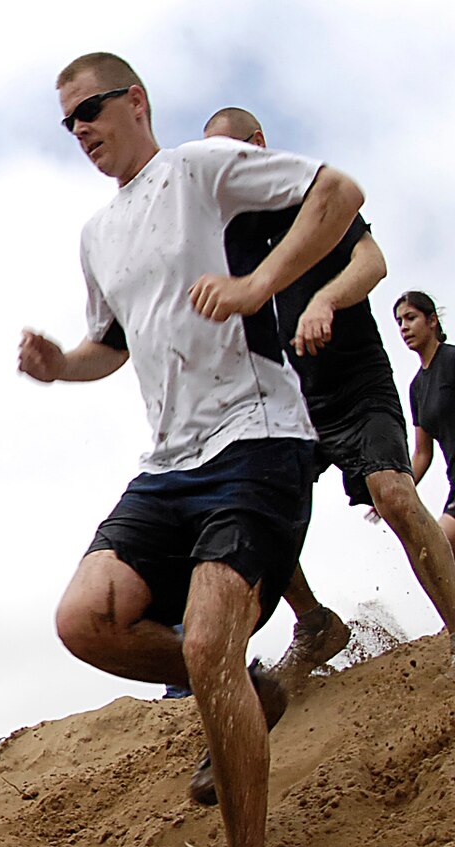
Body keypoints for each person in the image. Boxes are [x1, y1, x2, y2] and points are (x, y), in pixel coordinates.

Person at [17, 53, 363, 847]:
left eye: (91, 109)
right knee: (83, 619)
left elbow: (338, 191)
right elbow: (113, 346)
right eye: (68, 123)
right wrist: (63, 365)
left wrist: (257, 286)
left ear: (135, 101)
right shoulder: (97, 233)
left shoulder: (200, 169)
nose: (82, 130)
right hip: (170, 462)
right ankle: (243, 689)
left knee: (210, 637)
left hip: (257, 436)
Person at [200, 109, 455, 682]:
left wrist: (326, 300)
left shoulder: (311, 195)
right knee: (251, 516)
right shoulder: (230, 234)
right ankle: (315, 623)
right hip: (290, 401)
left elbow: (373, 262)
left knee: (391, 491)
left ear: (258, 144)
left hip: (356, 381)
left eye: (229, 157)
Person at [397, 292, 455, 558]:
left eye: (411, 318)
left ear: (432, 321)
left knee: (439, 548)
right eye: (399, 322)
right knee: (437, 554)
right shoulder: (417, 387)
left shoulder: (452, 360)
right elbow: (423, 453)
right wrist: (399, 491)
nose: (404, 327)